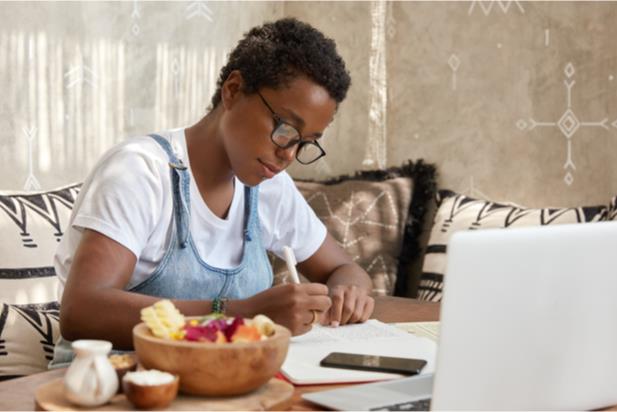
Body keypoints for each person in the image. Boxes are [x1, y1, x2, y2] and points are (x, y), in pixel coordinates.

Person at [52, 17, 374, 365]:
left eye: (304, 143)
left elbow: (342, 268)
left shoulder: (269, 186)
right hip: (114, 385)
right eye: (284, 129)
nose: (288, 154)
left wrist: (349, 292)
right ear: (233, 90)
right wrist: (239, 314)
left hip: (216, 385)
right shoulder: (141, 172)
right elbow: (82, 310)